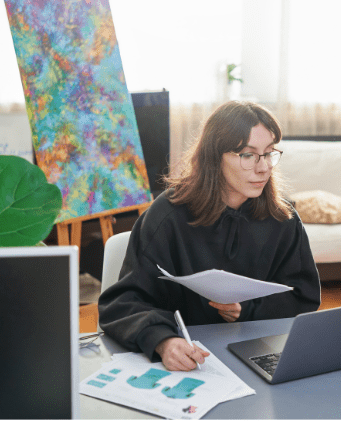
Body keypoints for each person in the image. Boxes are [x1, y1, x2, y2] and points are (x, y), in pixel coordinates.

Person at [99, 101, 321, 371]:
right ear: (215, 157)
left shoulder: (283, 219)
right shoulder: (167, 216)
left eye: (269, 153)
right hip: (186, 361)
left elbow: (304, 298)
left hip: (254, 355)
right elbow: (121, 304)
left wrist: (247, 311)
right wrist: (163, 341)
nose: (263, 168)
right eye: (248, 155)